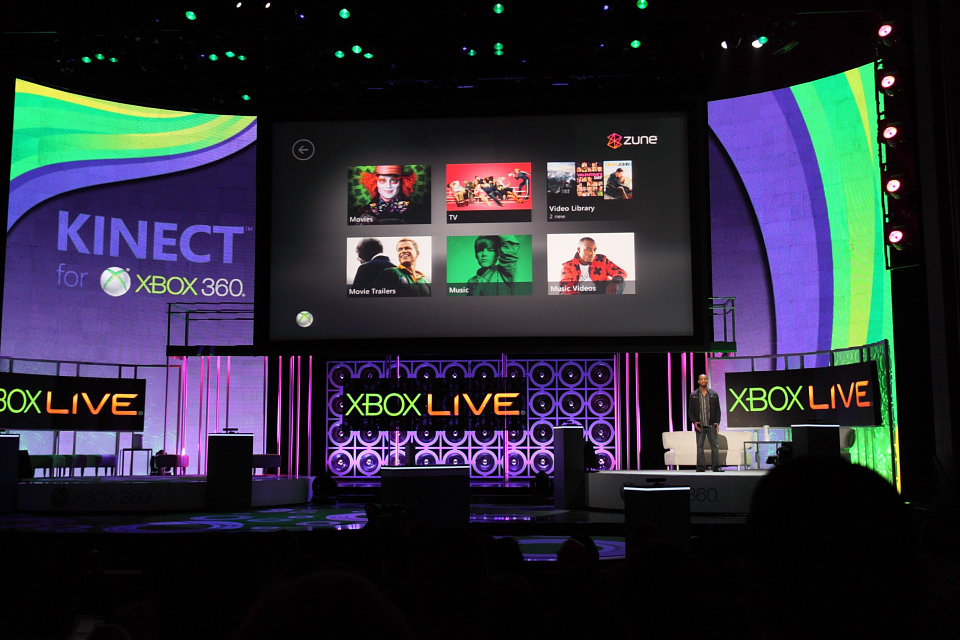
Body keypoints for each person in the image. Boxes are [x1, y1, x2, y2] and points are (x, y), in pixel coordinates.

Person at [355, 165, 423, 224]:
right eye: (382, 181)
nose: (388, 186)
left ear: (402, 183)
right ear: (375, 183)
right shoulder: (361, 211)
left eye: (394, 180)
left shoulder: (419, 211)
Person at [559, 237, 626, 294]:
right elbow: (565, 286)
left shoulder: (601, 260)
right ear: (579, 250)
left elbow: (619, 271)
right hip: (580, 294)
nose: (592, 253)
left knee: (620, 283)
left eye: (594, 250)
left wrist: (615, 282)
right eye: (588, 249)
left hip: (601, 290)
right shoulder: (568, 266)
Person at [687, 373, 723, 472]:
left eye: (705, 379)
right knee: (699, 446)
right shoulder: (693, 395)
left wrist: (717, 422)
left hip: (711, 424)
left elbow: (718, 410)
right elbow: (690, 410)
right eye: (701, 379)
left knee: (714, 446)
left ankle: (716, 467)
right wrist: (694, 422)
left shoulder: (714, 394)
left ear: (707, 381)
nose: (703, 381)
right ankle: (700, 467)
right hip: (700, 425)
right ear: (698, 381)